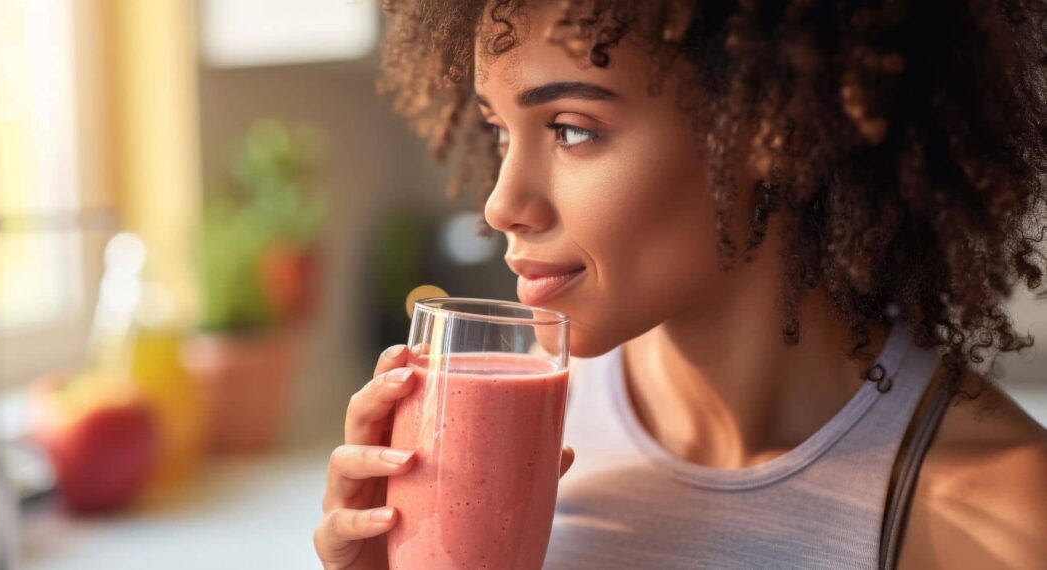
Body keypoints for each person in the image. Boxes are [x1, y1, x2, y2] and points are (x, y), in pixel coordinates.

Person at [315, 1, 1047, 568]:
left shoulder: (1006, 514)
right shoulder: (510, 433)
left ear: (770, 128)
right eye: (501, 132)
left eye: (570, 129)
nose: (501, 204)